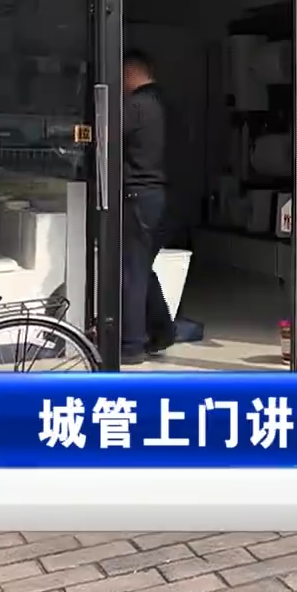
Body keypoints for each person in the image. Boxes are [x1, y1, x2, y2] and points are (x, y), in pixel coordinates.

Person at [120, 50, 174, 367]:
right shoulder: (167, 105)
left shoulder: (136, 105)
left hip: (138, 195)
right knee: (140, 266)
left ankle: (131, 345)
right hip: (161, 196)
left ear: (130, 72)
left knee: (131, 270)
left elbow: (105, 139)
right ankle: (161, 331)